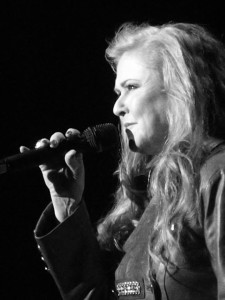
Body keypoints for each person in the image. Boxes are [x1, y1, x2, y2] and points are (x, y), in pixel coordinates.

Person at [21, 22, 225, 299]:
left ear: (181, 90)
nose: (117, 107)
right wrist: (67, 205)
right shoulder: (157, 200)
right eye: (119, 92)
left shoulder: (217, 175)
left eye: (132, 86)